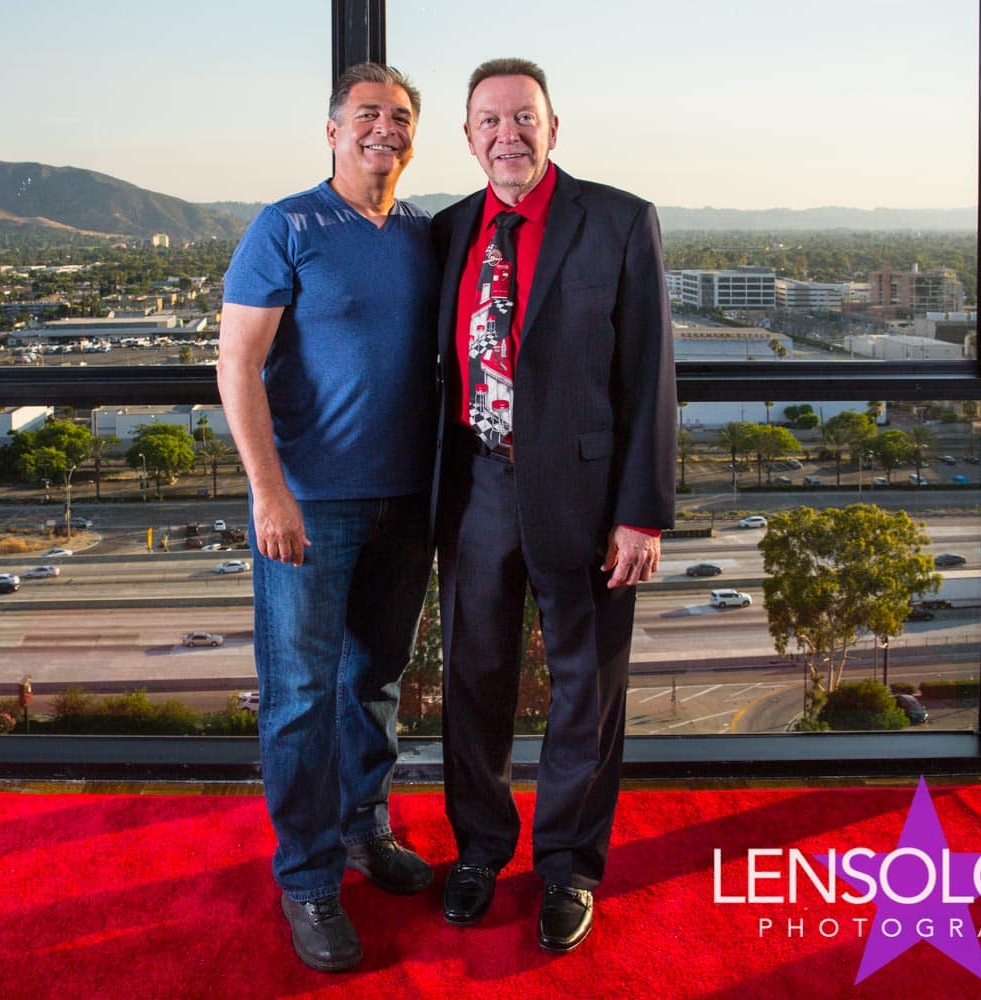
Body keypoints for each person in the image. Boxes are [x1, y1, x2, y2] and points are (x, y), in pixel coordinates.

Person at [431, 57, 677, 953]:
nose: (508, 134)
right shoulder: (449, 231)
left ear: (553, 127)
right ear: (467, 137)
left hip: (587, 496)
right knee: (474, 681)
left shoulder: (617, 221)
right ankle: (480, 850)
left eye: (524, 117)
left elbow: (650, 373)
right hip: (478, 485)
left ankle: (568, 865)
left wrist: (642, 512)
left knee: (586, 691)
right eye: (489, 120)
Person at [217, 62, 438, 974]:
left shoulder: (428, 233)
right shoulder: (286, 225)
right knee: (302, 697)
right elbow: (236, 366)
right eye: (365, 115)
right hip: (310, 507)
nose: (382, 129)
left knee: (375, 682)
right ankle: (308, 881)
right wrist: (271, 493)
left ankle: (363, 831)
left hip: (410, 500)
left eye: (399, 117)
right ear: (332, 129)